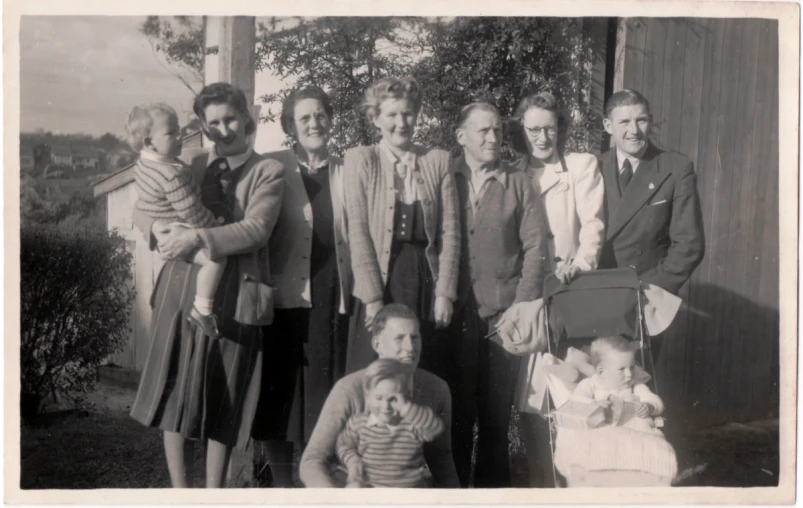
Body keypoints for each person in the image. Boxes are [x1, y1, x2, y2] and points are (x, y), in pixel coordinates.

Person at [129, 83, 286, 488]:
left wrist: (198, 238)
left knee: (223, 396)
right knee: (176, 391)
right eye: (212, 122)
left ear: (246, 118)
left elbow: (256, 229)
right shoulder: (189, 162)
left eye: (230, 118)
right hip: (181, 285)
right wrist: (156, 228)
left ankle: (214, 493)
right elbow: (143, 205)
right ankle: (181, 493)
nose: (223, 129)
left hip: (238, 293)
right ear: (202, 125)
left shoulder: (268, 170)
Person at [251, 86, 352, 487]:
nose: (314, 123)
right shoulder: (272, 166)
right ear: (290, 125)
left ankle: (316, 482)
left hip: (333, 297)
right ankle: (281, 484)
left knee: (323, 397)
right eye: (304, 117)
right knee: (283, 399)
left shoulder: (347, 170)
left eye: (320, 115)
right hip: (283, 300)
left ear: (331, 118)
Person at [508, 91, 605, 487]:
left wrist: (580, 265)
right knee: (529, 395)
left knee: (571, 390)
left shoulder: (581, 165)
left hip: (569, 291)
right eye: (534, 129)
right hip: (528, 292)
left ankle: (575, 481)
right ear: (522, 131)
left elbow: (593, 225)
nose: (542, 137)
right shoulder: (515, 171)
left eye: (549, 128)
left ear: (560, 128)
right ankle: (540, 481)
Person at [449, 102, 549, 488]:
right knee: (456, 418)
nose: (493, 138)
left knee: (494, 420)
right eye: (483, 132)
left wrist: (520, 308)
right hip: (454, 318)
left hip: (502, 319)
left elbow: (536, 248)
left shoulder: (518, 182)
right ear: (461, 137)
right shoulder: (445, 176)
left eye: (497, 132)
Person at [343, 77, 460, 383]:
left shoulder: (437, 161)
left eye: (408, 113)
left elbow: (450, 233)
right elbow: (358, 232)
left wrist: (444, 292)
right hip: (381, 281)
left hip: (425, 284)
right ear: (375, 118)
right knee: (375, 377)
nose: (401, 122)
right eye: (391, 115)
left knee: (422, 375)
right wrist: (372, 298)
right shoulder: (361, 160)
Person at [299, 304, 460, 488]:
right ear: (377, 344)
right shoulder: (349, 389)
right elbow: (312, 460)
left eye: (415, 337)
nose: (410, 347)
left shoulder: (437, 389)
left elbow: (442, 461)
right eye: (399, 338)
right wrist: (335, 500)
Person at [126, 102, 227, 339]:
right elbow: (191, 211)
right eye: (171, 133)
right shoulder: (172, 171)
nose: (180, 135)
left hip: (170, 232)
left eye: (179, 129)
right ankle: (202, 310)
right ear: (150, 143)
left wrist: (154, 223)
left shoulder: (148, 163)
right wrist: (216, 231)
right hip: (179, 230)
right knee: (216, 259)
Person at [598, 89, 705, 299]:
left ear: (651, 121)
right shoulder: (593, 167)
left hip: (645, 294)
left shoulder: (675, 168)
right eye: (624, 122)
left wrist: (648, 288)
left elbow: (689, 245)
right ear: (608, 126)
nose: (634, 130)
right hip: (597, 290)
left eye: (641, 120)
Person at [336, 358, 445, 488]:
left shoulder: (413, 423)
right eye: (378, 398)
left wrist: (406, 408)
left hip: (410, 491)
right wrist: (353, 463)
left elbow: (436, 428)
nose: (385, 406)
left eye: (393, 399)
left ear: (406, 396)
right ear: (368, 397)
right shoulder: (359, 423)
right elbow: (344, 446)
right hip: (372, 488)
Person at [572, 336, 664, 433]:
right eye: (621, 369)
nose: (629, 374)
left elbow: (656, 401)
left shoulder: (635, 386)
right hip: (604, 432)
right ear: (601, 372)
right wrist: (594, 405)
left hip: (635, 430)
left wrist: (649, 406)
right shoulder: (591, 384)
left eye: (632, 367)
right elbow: (575, 401)